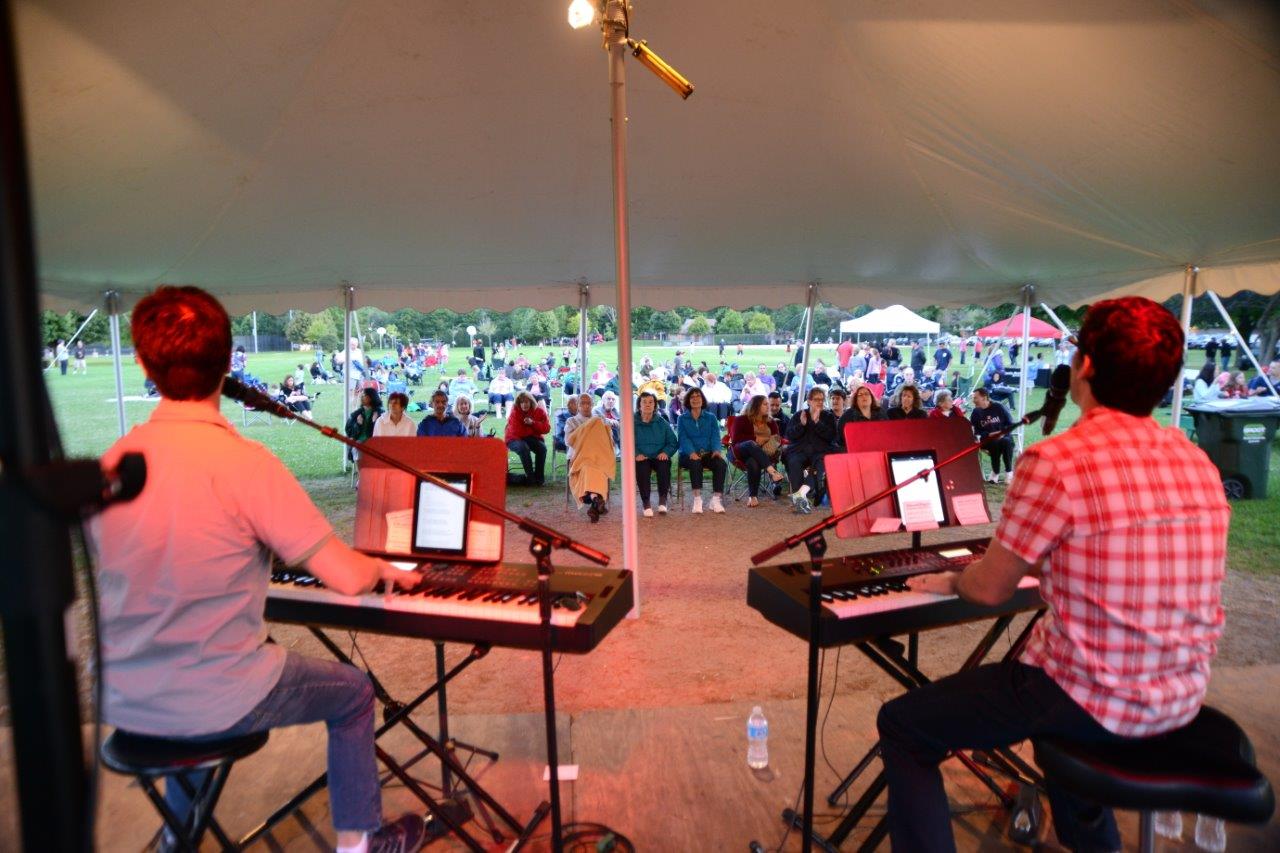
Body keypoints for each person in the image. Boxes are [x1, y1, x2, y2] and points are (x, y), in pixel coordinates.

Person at [878, 296, 1229, 853]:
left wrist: (949, 579)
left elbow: (990, 589)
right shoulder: (1197, 463)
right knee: (1060, 732)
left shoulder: (1058, 461)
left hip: (1086, 698)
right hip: (1178, 694)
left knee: (903, 724)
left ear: (1084, 367)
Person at [87, 287, 427, 853]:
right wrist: (385, 568)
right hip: (215, 696)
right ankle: (362, 841)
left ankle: (178, 837)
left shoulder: (112, 463)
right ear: (228, 363)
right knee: (354, 692)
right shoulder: (246, 465)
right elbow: (345, 577)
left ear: (145, 364)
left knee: (194, 684)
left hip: (124, 695)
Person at [784, 386, 837, 514]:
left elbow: (831, 437)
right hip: (799, 450)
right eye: (816, 399)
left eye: (822, 399)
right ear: (809, 401)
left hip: (820, 451)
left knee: (822, 465)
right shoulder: (799, 415)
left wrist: (817, 423)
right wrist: (801, 425)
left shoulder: (828, 416)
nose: (820, 402)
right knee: (794, 462)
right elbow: (789, 435)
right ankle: (800, 500)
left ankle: (800, 494)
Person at [676, 387, 728, 514]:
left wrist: (716, 449)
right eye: (692, 397)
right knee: (695, 463)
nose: (695, 399)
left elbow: (715, 435)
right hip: (688, 454)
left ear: (702, 399)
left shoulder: (710, 418)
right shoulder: (682, 419)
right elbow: (683, 438)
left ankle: (715, 500)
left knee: (721, 464)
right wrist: (691, 452)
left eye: (698, 396)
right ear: (688, 400)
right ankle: (697, 499)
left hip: (707, 453)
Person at [730, 395, 785, 507]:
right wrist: (756, 441)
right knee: (751, 443)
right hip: (741, 452)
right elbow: (736, 440)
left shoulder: (771, 422)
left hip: (763, 454)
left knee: (753, 462)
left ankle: (753, 496)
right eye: (765, 404)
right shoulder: (741, 420)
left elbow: (776, 438)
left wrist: (764, 442)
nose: (768, 406)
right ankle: (772, 472)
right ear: (756, 406)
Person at [634, 391, 677, 516]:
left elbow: (672, 442)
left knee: (664, 465)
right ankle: (646, 503)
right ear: (639, 405)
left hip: (658, 456)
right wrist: (636, 454)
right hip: (641, 457)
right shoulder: (631, 422)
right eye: (644, 402)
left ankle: (662, 501)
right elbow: (625, 441)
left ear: (655, 406)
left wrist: (665, 452)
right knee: (642, 468)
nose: (648, 405)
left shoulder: (662, 423)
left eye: (651, 402)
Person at [567, 409, 615, 523]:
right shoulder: (572, 421)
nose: (585, 406)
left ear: (592, 405)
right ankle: (596, 503)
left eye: (588, 403)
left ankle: (594, 502)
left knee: (599, 470)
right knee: (588, 469)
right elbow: (568, 440)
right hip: (581, 457)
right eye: (583, 403)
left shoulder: (601, 422)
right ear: (578, 406)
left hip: (599, 458)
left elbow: (610, 443)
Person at [969, 386, 1014, 483]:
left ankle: (1008, 472)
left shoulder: (998, 407)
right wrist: (988, 434)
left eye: (975, 398)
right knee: (995, 442)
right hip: (987, 440)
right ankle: (996, 471)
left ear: (984, 398)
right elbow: (974, 431)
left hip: (1004, 437)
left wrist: (1002, 432)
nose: (973, 400)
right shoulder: (976, 412)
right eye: (973, 398)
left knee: (1006, 441)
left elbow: (1011, 424)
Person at [505, 391, 550, 485]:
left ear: (531, 402)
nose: (524, 405)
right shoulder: (515, 412)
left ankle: (539, 478)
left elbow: (546, 428)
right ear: (518, 403)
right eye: (521, 402)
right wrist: (534, 428)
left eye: (526, 402)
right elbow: (517, 431)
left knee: (542, 448)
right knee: (523, 447)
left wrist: (533, 423)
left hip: (530, 437)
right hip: (513, 438)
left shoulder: (539, 411)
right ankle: (530, 478)